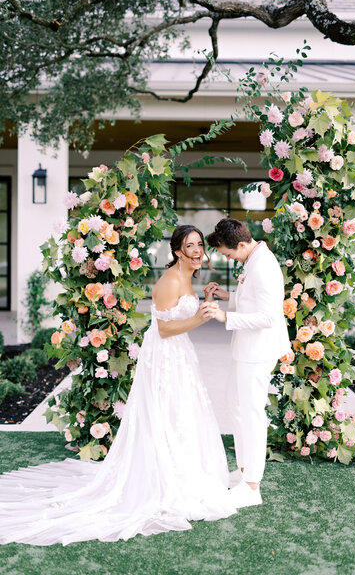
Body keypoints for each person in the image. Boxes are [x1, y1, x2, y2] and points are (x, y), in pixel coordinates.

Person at [0, 225, 236, 546]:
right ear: (178, 251)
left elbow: (182, 314)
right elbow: (165, 329)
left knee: (182, 412)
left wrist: (204, 299)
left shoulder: (186, 277)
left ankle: (187, 471)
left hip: (180, 354)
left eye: (199, 245)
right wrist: (202, 318)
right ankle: (166, 479)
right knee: (167, 412)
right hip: (166, 355)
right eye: (190, 245)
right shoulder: (169, 280)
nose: (197, 251)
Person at [204, 218, 290, 509]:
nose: (228, 258)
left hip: (258, 349)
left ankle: (252, 486)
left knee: (251, 413)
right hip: (246, 347)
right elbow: (253, 299)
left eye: (228, 254)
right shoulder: (253, 259)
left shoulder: (264, 265)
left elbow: (269, 317)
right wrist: (228, 296)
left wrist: (225, 316)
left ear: (241, 244)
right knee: (235, 406)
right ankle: (243, 472)